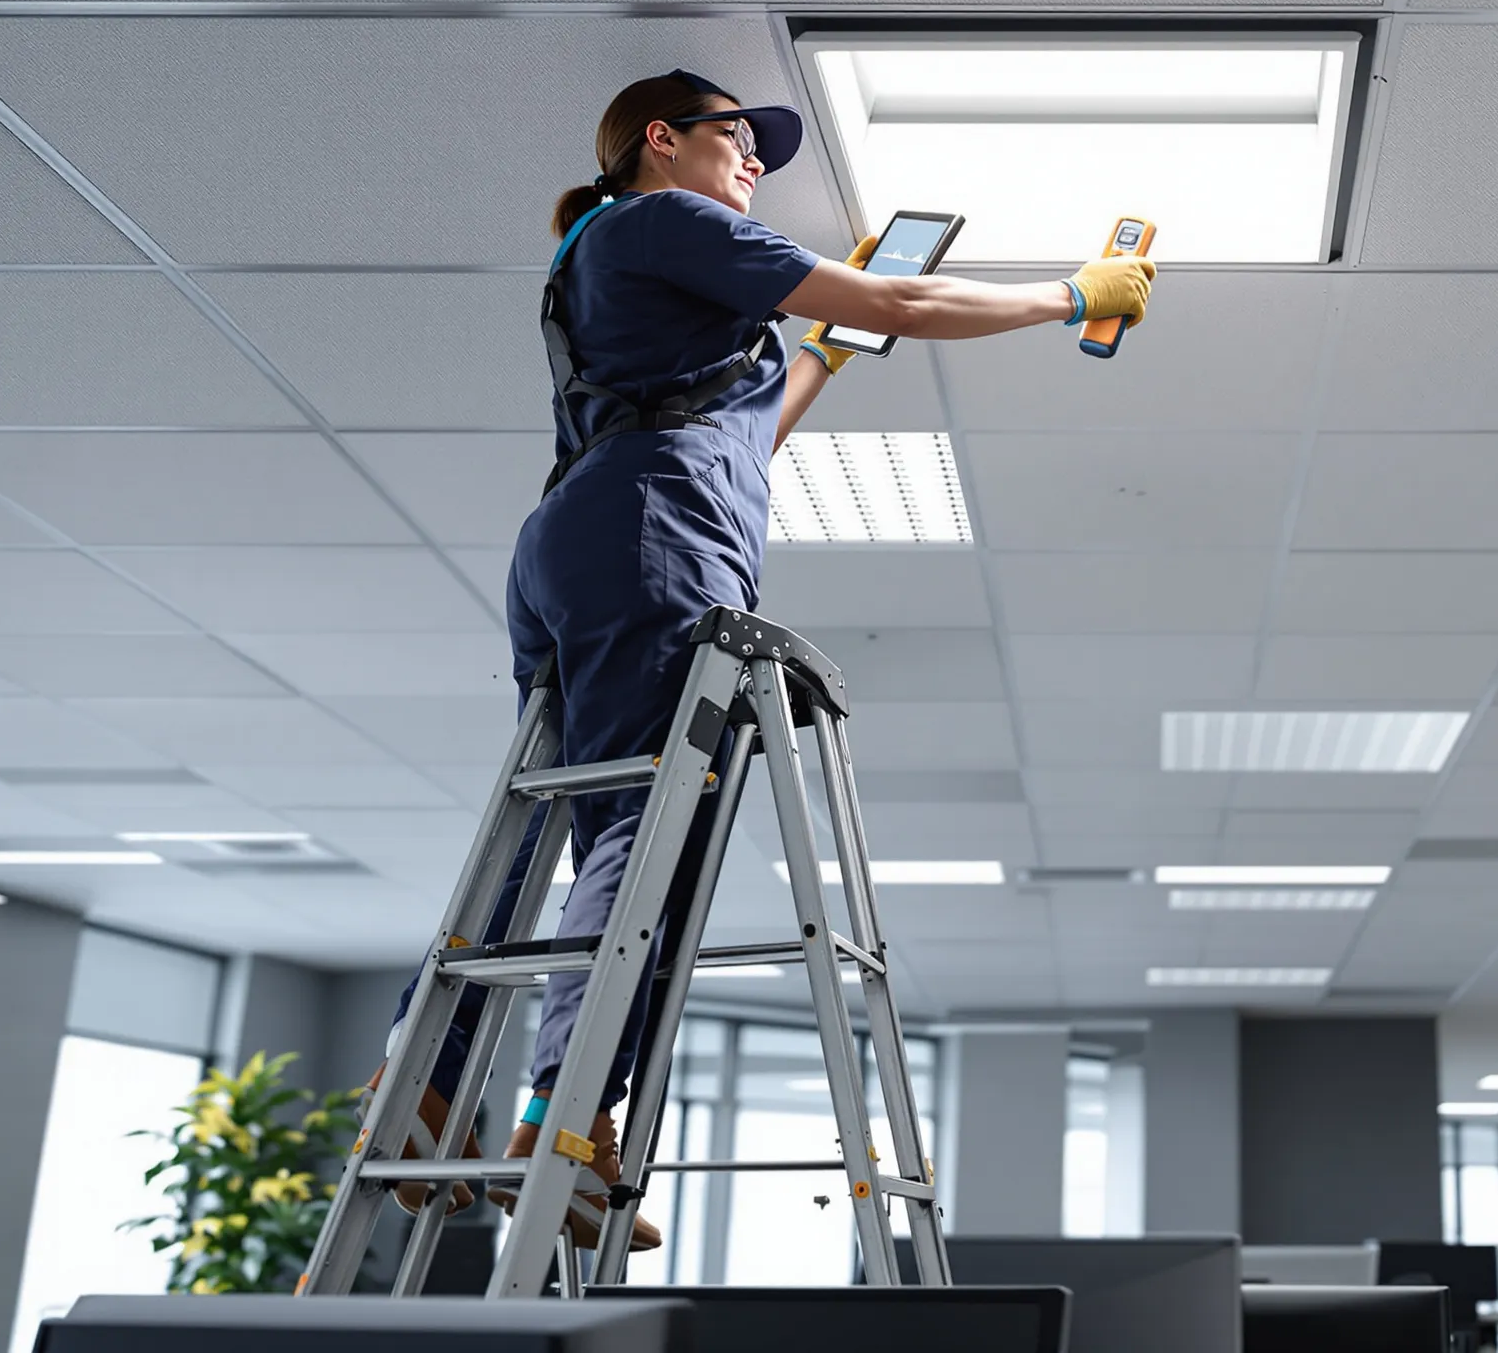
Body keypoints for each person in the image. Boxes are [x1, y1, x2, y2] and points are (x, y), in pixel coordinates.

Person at [371, 67, 1154, 1248]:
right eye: (740, 142)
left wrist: (824, 354)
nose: (754, 166)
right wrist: (1068, 292)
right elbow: (915, 308)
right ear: (660, 140)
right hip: (655, 535)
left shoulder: (609, 256)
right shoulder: (669, 218)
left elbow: (745, 428)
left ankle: (420, 1099)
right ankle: (562, 1129)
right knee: (649, 833)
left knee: (554, 831)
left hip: (589, 531)